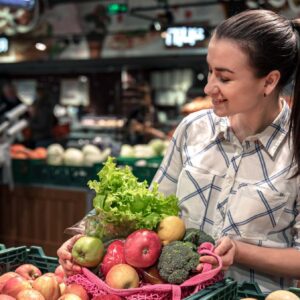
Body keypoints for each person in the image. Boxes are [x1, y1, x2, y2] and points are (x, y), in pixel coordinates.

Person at [57, 9, 300, 293]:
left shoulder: (294, 149)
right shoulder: (193, 129)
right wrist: (85, 235)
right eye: (210, 71)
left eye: (224, 78)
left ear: (269, 82)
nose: (210, 87)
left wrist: (239, 250)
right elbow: (150, 209)